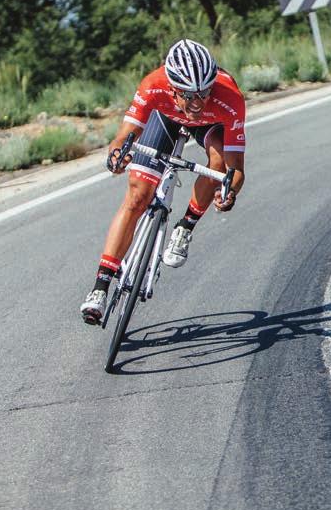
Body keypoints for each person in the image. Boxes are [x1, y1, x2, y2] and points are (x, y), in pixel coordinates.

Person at [80, 39, 245, 324]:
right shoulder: (153, 85)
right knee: (136, 197)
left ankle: (186, 226)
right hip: (165, 117)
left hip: (209, 126)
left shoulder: (228, 97)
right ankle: (101, 286)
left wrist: (229, 192)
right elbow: (125, 135)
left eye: (204, 93)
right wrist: (117, 157)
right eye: (188, 95)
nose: (197, 102)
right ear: (171, 87)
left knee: (217, 164)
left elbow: (235, 167)